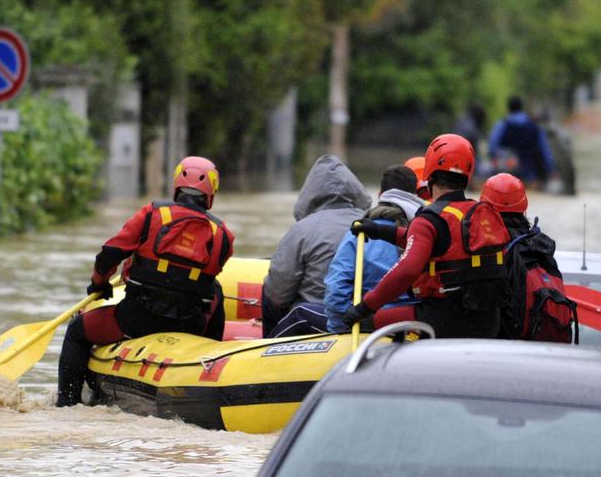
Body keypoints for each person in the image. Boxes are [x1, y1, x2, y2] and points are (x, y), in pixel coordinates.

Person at [56, 156, 235, 407]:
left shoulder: (151, 214)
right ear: (211, 193)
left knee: (77, 331)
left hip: (136, 319)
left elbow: (110, 253)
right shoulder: (224, 235)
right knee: (216, 291)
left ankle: (67, 403)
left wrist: (99, 283)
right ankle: (210, 357)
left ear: (177, 185)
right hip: (188, 326)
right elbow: (201, 279)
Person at [344, 133, 512, 339]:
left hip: (442, 320)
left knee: (362, 323)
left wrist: (364, 307)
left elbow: (406, 271)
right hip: (488, 323)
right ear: (468, 174)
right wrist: (379, 231)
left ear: (429, 172)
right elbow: (434, 245)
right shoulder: (475, 213)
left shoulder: (428, 220)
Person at [261, 155, 372, 338]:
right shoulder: (374, 224)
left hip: (317, 317)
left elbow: (277, 293)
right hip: (368, 318)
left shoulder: (302, 230)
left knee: (268, 291)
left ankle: (267, 346)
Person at [322, 164, 426, 334]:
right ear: (416, 196)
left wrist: (340, 332)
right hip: (414, 328)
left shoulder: (358, 234)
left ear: (380, 195)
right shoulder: (425, 233)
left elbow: (336, 291)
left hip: (368, 326)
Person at [480, 173, 577, 342]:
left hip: (505, 345)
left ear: (486, 208)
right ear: (523, 207)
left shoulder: (491, 249)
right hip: (542, 344)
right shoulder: (539, 246)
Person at [488, 96, 554, 186]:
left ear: (508, 108)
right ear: (522, 107)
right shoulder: (534, 127)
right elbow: (545, 151)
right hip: (530, 175)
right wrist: (551, 170)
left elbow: (492, 147)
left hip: (507, 176)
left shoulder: (502, 125)